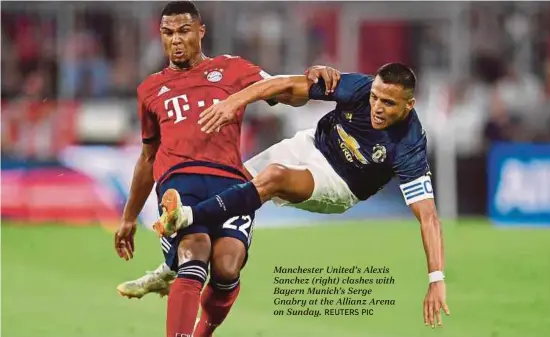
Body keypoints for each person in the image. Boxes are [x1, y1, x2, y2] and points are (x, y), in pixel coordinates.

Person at [154, 62, 451, 328]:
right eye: (375, 97)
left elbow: (428, 217)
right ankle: (175, 264)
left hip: (339, 183)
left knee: (273, 179)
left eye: (388, 103)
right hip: (310, 143)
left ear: (409, 105)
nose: (377, 107)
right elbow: (286, 84)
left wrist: (436, 279)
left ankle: (188, 217)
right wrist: (233, 101)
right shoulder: (359, 88)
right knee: (233, 185)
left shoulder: (410, 146)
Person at [112, 2, 339, 337]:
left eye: (184, 31)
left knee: (227, 265)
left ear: (200, 32)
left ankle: (203, 330)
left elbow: (287, 92)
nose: (176, 40)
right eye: (168, 33)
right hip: (180, 182)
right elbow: (148, 156)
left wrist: (316, 78)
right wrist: (129, 216)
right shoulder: (150, 89)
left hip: (230, 184)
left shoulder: (231, 69)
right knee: (195, 251)